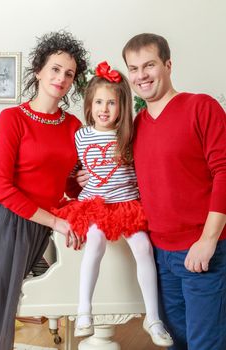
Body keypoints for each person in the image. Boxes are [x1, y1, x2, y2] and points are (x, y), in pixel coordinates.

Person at [53, 61, 173, 347]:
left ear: (122, 107)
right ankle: (84, 310)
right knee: (93, 242)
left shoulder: (129, 136)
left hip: (126, 206)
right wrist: (76, 177)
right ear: (89, 105)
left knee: (143, 247)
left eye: (111, 103)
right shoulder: (80, 136)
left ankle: (153, 318)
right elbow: (70, 169)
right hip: (94, 205)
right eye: (98, 102)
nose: (104, 109)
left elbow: (146, 168)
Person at [121, 33, 226, 350]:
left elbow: (224, 171)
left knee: (205, 343)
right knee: (176, 342)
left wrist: (207, 241)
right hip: (158, 257)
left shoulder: (200, 107)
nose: (141, 75)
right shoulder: (136, 125)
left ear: (167, 65)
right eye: (134, 68)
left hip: (201, 251)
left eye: (149, 65)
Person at [0, 30, 88, 350]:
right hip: (8, 223)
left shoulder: (74, 126)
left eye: (69, 73)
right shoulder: (12, 119)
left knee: (25, 302)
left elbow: (66, 184)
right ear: (39, 70)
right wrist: (56, 221)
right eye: (55, 69)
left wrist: (81, 183)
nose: (61, 78)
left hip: (45, 226)